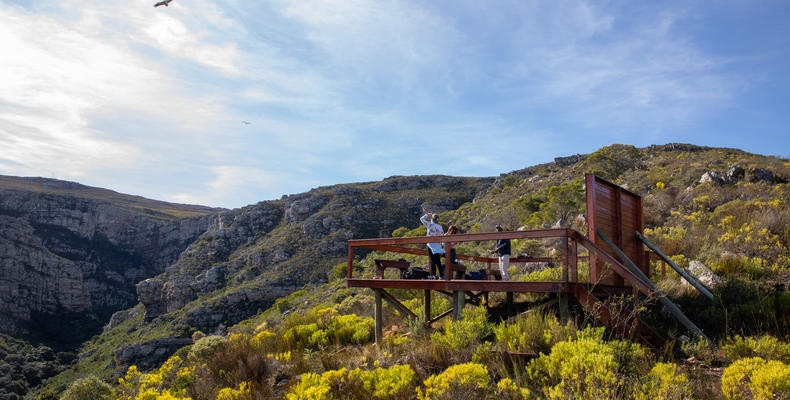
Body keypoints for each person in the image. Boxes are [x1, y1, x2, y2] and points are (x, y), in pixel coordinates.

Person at [420, 213, 445, 278]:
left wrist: (427, 215)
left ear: (432, 219)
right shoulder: (440, 227)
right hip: (438, 246)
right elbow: (442, 236)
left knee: (432, 260)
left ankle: (433, 275)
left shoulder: (430, 224)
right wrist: (442, 245)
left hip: (430, 245)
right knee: (438, 261)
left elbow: (421, 219)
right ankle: (441, 276)